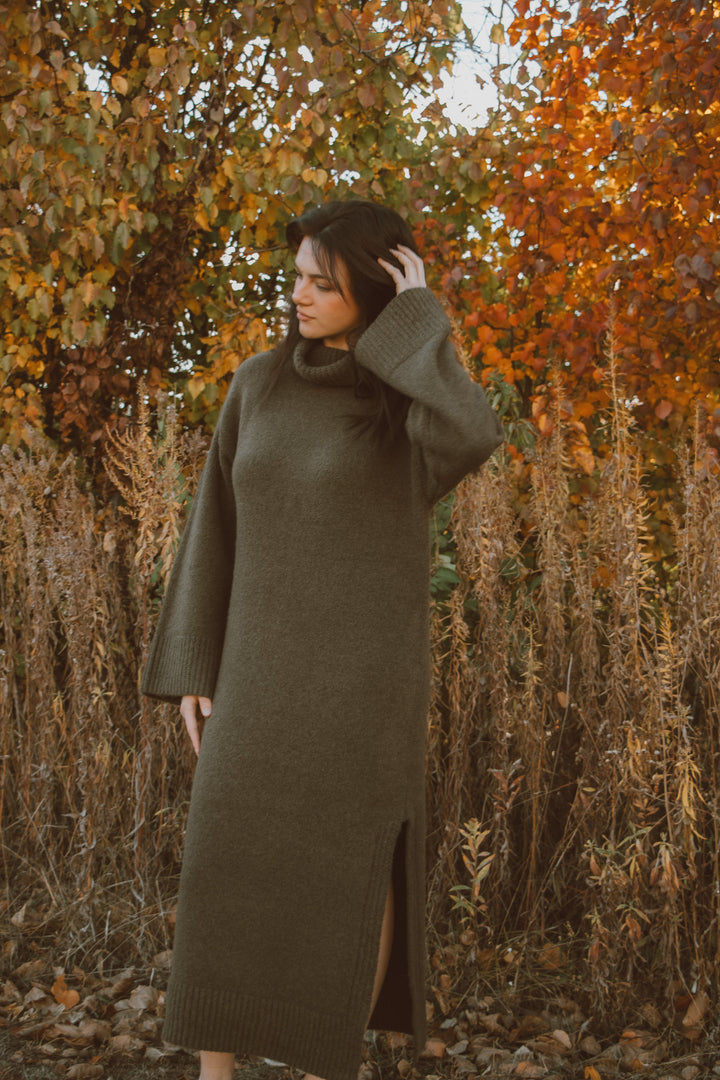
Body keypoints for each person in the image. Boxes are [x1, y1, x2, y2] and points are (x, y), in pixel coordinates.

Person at [141, 198, 504, 1080]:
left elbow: (474, 432)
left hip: (360, 690)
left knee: (348, 880)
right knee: (225, 871)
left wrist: (418, 321)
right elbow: (214, 524)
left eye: (324, 283)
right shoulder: (257, 384)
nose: (299, 295)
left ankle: (326, 1064)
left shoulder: (406, 406)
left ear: (374, 292)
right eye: (297, 277)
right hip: (254, 677)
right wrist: (194, 663)